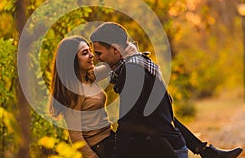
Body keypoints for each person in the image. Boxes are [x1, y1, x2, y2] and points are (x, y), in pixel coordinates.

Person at [90, 22, 243, 158]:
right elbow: (160, 114)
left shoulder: (131, 73)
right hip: (169, 144)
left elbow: (127, 122)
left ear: (115, 50)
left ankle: (206, 151)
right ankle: (206, 151)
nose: (97, 59)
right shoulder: (138, 63)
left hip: (164, 148)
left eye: (98, 53)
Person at [49, 36, 178, 158]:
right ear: (72, 60)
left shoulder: (90, 77)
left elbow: (111, 62)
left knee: (155, 141)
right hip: (102, 147)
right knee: (157, 145)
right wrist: (93, 157)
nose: (92, 55)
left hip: (111, 138)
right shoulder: (73, 92)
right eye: (85, 53)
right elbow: (76, 136)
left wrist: (125, 49)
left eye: (90, 51)